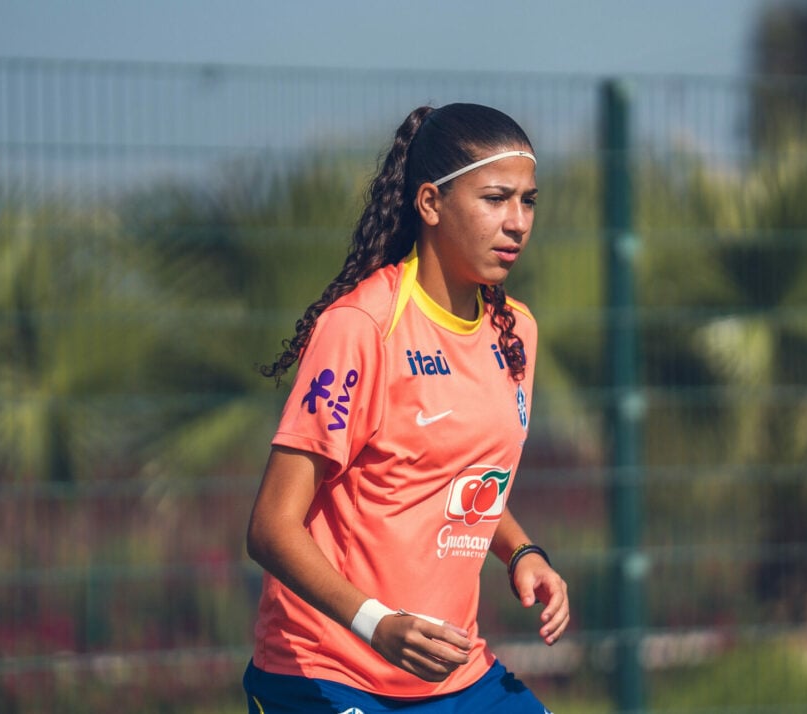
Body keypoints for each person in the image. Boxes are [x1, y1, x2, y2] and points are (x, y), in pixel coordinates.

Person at [243, 102, 570, 714]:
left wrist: (523, 552)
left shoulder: (516, 332)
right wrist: (376, 625)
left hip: (454, 673)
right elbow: (270, 527)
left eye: (528, 201)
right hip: (327, 673)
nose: (518, 222)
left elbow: (454, 476)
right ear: (430, 204)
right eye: (495, 198)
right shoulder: (363, 327)